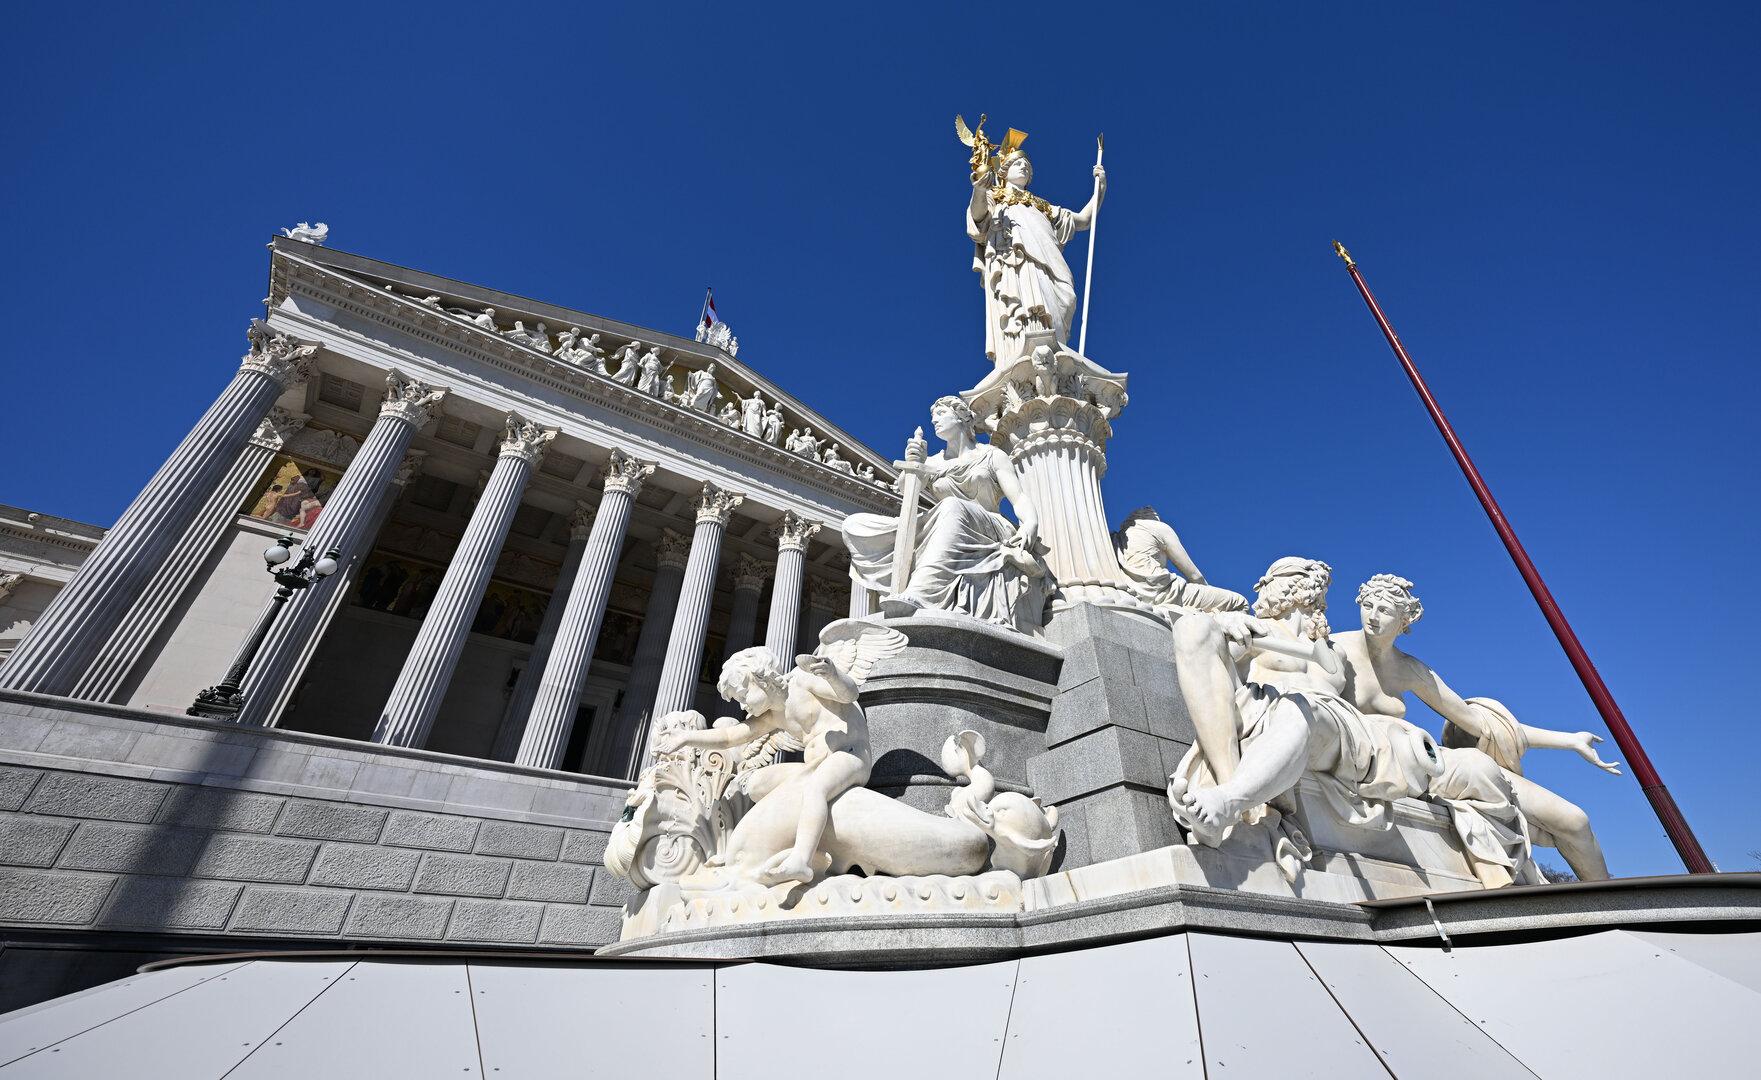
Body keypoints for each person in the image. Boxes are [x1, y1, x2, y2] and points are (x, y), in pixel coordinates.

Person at [1334, 574, 1617, 882]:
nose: (1372, 616)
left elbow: (1482, 724)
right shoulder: (1335, 649)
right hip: (1380, 760)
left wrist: (1570, 741)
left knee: (1575, 821)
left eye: (1384, 610)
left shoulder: (1410, 670)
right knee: (1479, 772)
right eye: (1367, 606)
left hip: (1428, 759)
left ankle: (1612, 904)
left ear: (1404, 620)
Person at [1167, 558, 1443, 847]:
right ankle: (1230, 795)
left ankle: (1229, 800)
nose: (1317, 591)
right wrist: (1219, 622)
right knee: (1192, 627)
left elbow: (1365, 696)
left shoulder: (1336, 650)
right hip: (1262, 710)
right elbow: (1208, 655)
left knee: (1299, 706)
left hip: (1329, 721)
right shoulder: (1256, 629)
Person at [653, 622, 906, 886]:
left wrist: (833, 675)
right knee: (756, 784)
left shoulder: (802, 680)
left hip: (849, 756)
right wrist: (686, 738)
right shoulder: (771, 716)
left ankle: (801, 860)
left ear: (760, 678)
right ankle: (763, 846)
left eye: (743, 695)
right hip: (817, 766)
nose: (743, 706)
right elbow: (729, 736)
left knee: (816, 789)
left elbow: (849, 694)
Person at [842, 395, 1051, 634]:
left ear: (961, 417)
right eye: (933, 417)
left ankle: (923, 591)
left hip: (989, 526)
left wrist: (1030, 523)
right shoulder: (932, 462)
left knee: (952, 506)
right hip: (944, 523)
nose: (934, 421)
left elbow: (1019, 497)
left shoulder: (991, 455)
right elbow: (906, 490)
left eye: (941, 414)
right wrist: (914, 462)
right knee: (854, 524)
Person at [967, 145, 1104, 365]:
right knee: (1023, 308)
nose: (1023, 167)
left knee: (1066, 299)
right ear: (1004, 172)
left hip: (1049, 262)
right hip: (1015, 262)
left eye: (1027, 166)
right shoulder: (997, 199)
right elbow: (978, 216)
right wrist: (980, 191)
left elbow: (1084, 220)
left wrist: (1100, 189)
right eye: (1017, 163)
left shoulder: (1044, 207)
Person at [1113, 507, 1247, 614]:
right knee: (1239, 602)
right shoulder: (1157, 527)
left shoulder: (1115, 539)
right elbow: (1194, 575)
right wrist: (1207, 593)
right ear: (1154, 518)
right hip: (1165, 592)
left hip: (1130, 593)